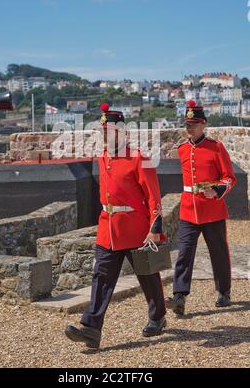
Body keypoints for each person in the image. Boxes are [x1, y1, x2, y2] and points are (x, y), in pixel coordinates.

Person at [65, 103, 167, 349]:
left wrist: (155, 228)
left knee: (148, 276)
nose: (104, 136)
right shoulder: (102, 157)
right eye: (103, 132)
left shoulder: (138, 158)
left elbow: (153, 196)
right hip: (107, 229)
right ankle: (91, 329)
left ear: (123, 132)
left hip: (136, 229)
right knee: (101, 278)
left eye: (109, 131)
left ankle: (158, 316)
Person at [166, 100, 237, 316]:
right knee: (184, 252)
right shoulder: (182, 149)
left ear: (203, 124)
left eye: (194, 124)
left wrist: (216, 190)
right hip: (189, 209)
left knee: (219, 252)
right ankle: (179, 296)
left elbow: (230, 178)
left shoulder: (216, 148)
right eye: (187, 124)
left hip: (212, 209)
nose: (189, 128)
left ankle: (223, 291)